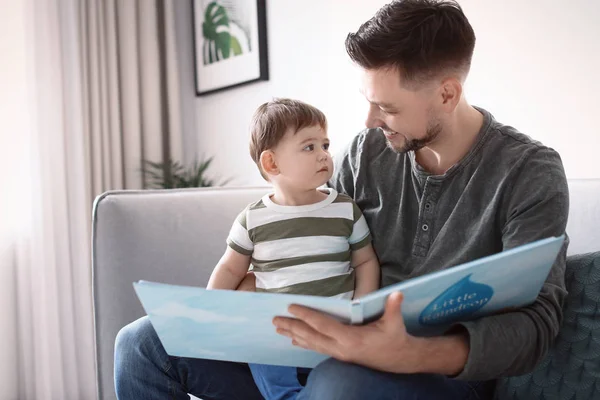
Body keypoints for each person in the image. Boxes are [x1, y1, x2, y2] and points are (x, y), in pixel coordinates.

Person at [114, 1, 569, 399]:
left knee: (338, 384)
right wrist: (254, 288)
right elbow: (314, 233)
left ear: (447, 93)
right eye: (368, 101)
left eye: (387, 107)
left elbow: (536, 326)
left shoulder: (528, 172)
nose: (369, 120)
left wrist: (412, 353)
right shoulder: (368, 151)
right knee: (143, 344)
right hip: (324, 345)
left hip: (437, 375)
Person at [206, 98, 380, 400]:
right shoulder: (252, 219)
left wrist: (360, 311)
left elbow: (366, 262)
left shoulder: (344, 209)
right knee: (261, 349)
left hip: (332, 330)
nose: (324, 155)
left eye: (325, 145)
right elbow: (231, 268)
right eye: (309, 147)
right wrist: (208, 310)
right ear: (272, 163)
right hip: (276, 333)